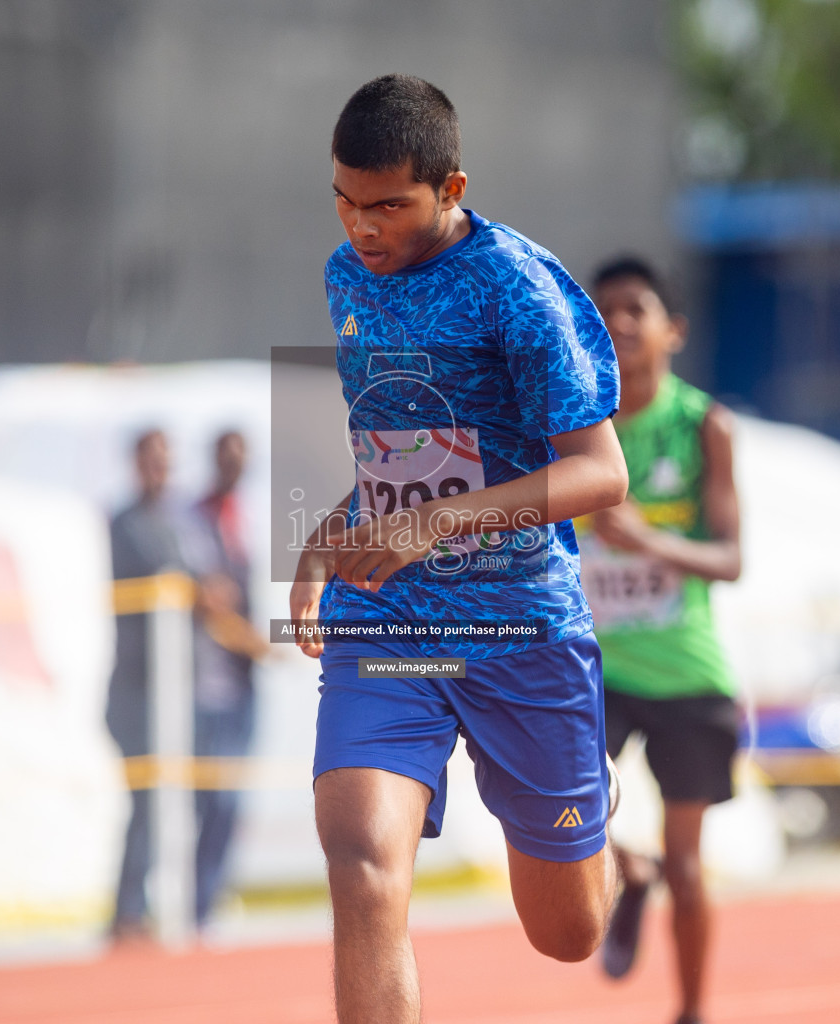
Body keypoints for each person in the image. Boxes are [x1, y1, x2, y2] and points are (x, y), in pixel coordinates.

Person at [289, 74, 629, 1023]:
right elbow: (405, 445)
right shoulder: (344, 277)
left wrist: (431, 524)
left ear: (452, 189)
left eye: (389, 206)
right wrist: (330, 539)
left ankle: (597, 822)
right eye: (346, 204)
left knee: (567, 934)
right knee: (360, 865)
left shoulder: (517, 289)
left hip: (520, 624)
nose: (363, 229)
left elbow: (601, 476)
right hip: (392, 616)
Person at [582, 256, 742, 1024]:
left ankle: (692, 1011)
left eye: (633, 309)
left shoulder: (703, 426)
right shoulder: (574, 427)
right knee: (562, 813)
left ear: (671, 329)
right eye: (602, 309)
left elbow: (732, 560)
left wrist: (649, 541)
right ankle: (625, 872)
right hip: (596, 670)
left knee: (688, 861)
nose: (616, 324)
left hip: (685, 672)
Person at [104, 428, 188, 941]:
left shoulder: (175, 521)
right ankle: (128, 910)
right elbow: (173, 580)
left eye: (165, 460)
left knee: (171, 802)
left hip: (172, 687)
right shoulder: (127, 523)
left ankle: (154, 904)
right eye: (151, 460)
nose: (159, 470)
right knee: (145, 803)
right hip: (136, 688)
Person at [185, 430, 267, 927]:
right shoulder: (196, 517)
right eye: (227, 456)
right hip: (206, 681)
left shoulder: (248, 515)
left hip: (245, 680)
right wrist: (258, 642)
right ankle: (196, 903)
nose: (235, 465)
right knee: (211, 798)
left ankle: (209, 900)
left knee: (232, 801)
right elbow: (210, 598)